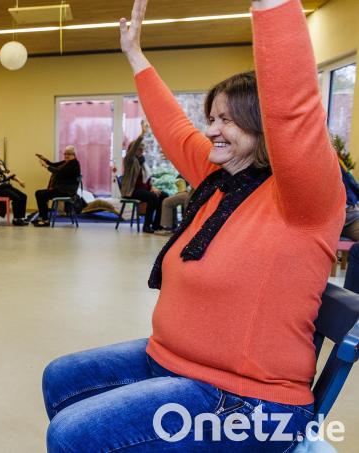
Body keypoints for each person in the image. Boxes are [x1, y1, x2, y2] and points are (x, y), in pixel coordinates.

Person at [42, 0, 344, 451]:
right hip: (174, 361)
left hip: (247, 399)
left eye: (226, 119)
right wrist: (135, 56)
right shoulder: (220, 178)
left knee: (74, 433)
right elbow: (172, 126)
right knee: (61, 380)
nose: (211, 130)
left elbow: (292, 111)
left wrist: (271, 7)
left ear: (262, 126)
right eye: (212, 118)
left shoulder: (304, 198)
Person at [121, 134, 168, 233]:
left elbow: (146, 179)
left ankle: (157, 224)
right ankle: (146, 226)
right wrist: (141, 134)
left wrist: (152, 187)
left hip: (143, 189)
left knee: (164, 196)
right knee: (153, 197)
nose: (141, 152)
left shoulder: (142, 161)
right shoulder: (129, 160)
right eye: (139, 149)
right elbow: (132, 150)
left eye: (142, 150)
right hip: (132, 191)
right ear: (133, 150)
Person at [33, 146, 81, 227]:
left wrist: (46, 166)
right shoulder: (67, 162)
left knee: (40, 194)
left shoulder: (74, 164)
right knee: (39, 193)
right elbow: (54, 165)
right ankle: (42, 217)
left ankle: (45, 220)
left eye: (68, 154)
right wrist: (45, 159)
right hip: (61, 190)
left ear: (74, 155)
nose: (66, 155)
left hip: (66, 192)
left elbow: (58, 172)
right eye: (65, 153)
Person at [0, 149, 28, 226]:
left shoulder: (1, 164)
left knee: (23, 196)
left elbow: (9, 173)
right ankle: (16, 219)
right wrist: (8, 176)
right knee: (17, 198)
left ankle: (21, 218)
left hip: (6, 186)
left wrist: (19, 181)